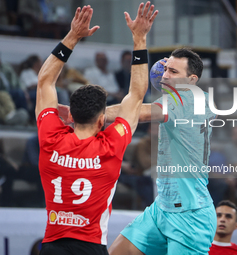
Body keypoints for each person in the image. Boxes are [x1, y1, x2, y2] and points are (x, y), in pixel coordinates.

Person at [36, 3, 157, 255]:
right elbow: (136, 95)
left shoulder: (50, 137)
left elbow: (45, 81)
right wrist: (139, 38)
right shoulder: (110, 146)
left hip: (51, 248)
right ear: (102, 121)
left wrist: (73, 36)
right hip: (91, 247)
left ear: (70, 115)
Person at [98, 47, 216, 253]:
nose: (165, 76)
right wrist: (171, 69)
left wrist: (85, 114)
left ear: (192, 80)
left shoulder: (186, 102)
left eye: (173, 72)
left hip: (190, 216)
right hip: (161, 209)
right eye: (166, 70)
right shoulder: (189, 97)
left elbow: (137, 112)